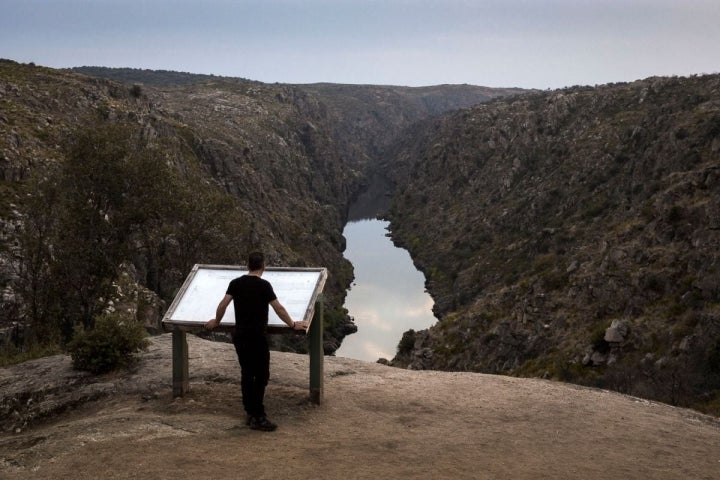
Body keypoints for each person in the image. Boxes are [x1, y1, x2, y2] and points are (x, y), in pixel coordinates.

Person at [205, 251, 307, 431]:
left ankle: (250, 412)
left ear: (248, 266)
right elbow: (279, 309)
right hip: (257, 337)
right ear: (263, 266)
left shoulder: (235, 284)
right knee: (261, 375)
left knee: (246, 373)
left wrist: (216, 321)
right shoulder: (264, 286)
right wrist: (292, 324)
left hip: (240, 336)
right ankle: (258, 416)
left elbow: (223, 304)